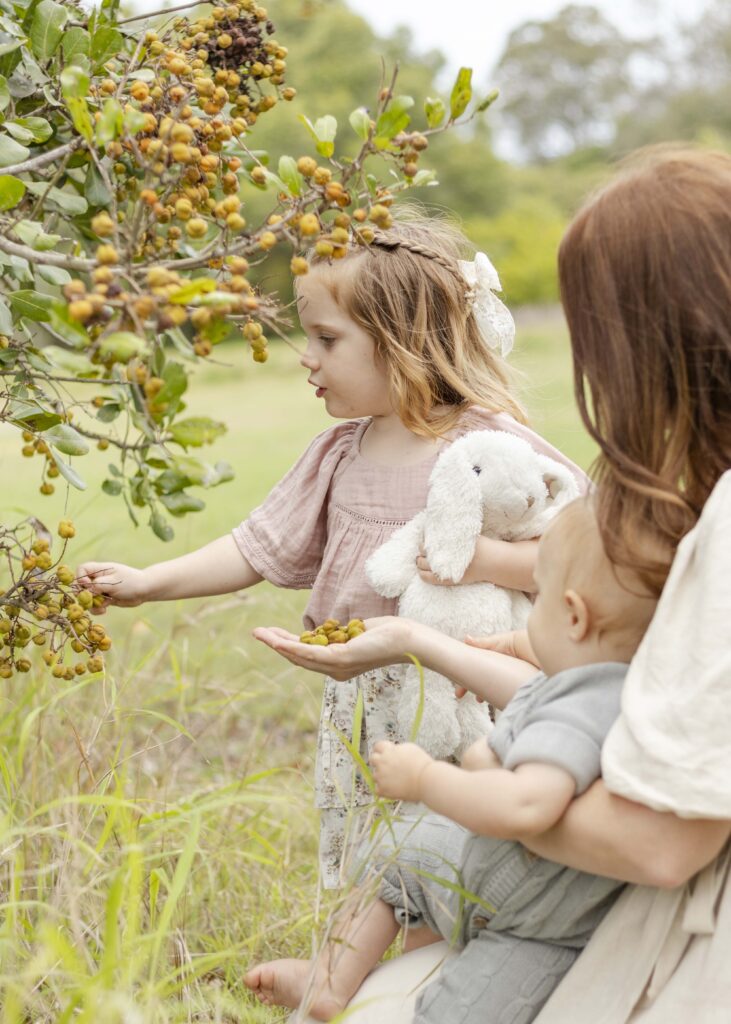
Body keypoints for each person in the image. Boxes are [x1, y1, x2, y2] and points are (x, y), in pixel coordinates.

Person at [251, 146, 731, 1021]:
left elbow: (659, 844)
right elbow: (600, 693)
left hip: (662, 903)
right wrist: (415, 640)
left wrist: (464, 778)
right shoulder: (684, 496)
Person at [75, 212, 585, 890]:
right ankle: (362, 962)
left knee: (461, 850)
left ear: (400, 343)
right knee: (372, 853)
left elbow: (585, 551)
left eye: (326, 338)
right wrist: (147, 583)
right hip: (365, 692)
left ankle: (435, 956)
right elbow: (255, 547)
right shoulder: (339, 455)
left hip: (469, 687)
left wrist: (489, 562)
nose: (305, 357)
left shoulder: (484, 443)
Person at [245, 496, 658, 1022]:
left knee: (455, 1005)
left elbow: (527, 805)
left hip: (529, 918)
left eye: (539, 598)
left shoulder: (576, 708)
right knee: (405, 848)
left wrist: (425, 778)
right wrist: (505, 642)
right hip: (532, 895)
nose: (529, 615)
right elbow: (541, 676)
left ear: (573, 615)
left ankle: (337, 976)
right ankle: (328, 978)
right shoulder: (618, 686)